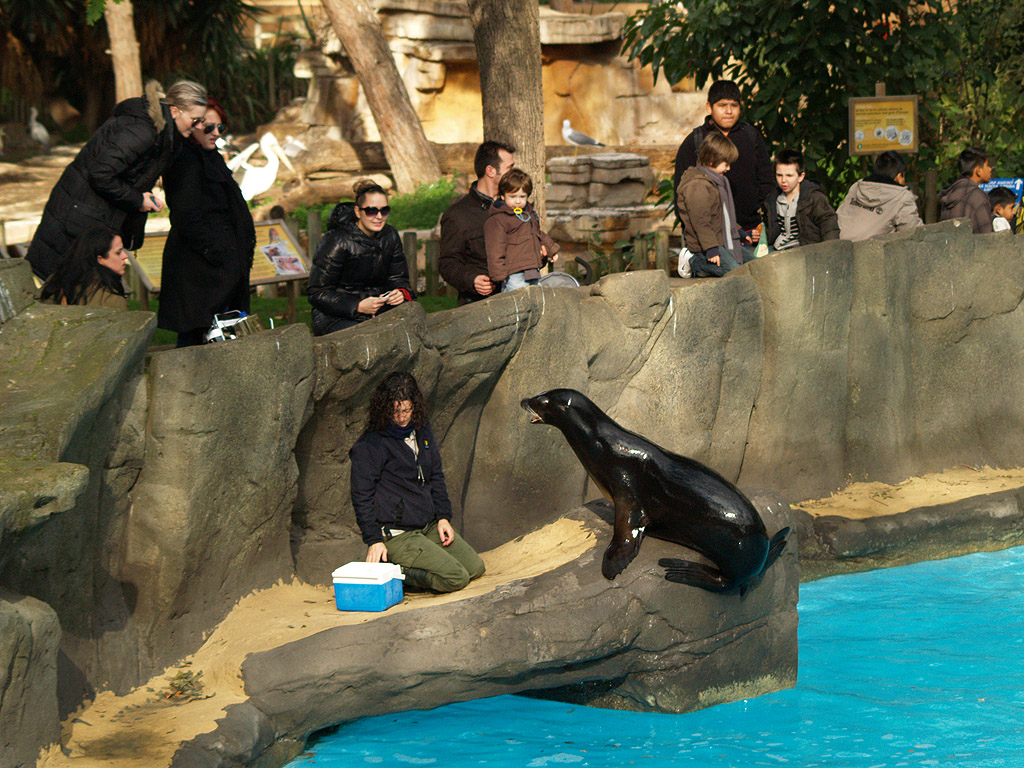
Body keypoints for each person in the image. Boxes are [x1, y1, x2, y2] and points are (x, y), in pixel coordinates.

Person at [27, 80, 208, 280]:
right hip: (77, 220)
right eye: (195, 120)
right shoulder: (143, 130)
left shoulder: (159, 133)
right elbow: (100, 173)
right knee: (60, 289)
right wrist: (138, 200)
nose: (199, 126)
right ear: (174, 111)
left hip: (89, 217)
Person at [350, 372, 485, 593]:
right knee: (456, 578)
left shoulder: (422, 429)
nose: (401, 417)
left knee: (475, 568)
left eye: (406, 410)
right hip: (397, 534)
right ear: (384, 409)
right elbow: (361, 496)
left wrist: (443, 517)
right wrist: (374, 539)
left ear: (415, 406)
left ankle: (423, 558)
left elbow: (436, 475)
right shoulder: (370, 445)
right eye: (395, 411)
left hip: (427, 525)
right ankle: (396, 572)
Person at [159, 97, 256, 347]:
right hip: (200, 276)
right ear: (193, 127)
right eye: (208, 127)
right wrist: (218, 254)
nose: (215, 133)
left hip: (220, 272)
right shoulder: (186, 160)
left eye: (220, 128)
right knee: (195, 345)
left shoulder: (210, 158)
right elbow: (186, 214)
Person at [307, 180, 415, 335]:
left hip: (379, 308)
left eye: (384, 211)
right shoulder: (337, 240)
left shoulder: (390, 235)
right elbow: (317, 292)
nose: (379, 217)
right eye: (371, 211)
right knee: (367, 336)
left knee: (412, 319)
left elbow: (398, 277)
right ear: (358, 212)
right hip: (335, 316)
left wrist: (399, 292)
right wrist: (357, 306)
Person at [672, 79, 774, 244]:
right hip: (712, 237)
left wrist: (766, 224)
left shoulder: (750, 137)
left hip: (751, 232)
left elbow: (766, 182)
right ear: (709, 107)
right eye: (722, 105)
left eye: (734, 105)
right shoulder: (695, 141)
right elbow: (681, 192)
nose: (729, 111)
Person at [439, 140, 515, 303]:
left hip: (519, 300)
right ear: (491, 171)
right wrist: (472, 280)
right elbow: (448, 263)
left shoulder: (517, 206)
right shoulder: (458, 215)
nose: (515, 174)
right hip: (479, 307)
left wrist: (542, 253)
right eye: (510, 168)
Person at [676, 133, 750, 278]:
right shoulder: (697, 186)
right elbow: (701, 222)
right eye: (726, 164)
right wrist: (711, 249)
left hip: (722, 239)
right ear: (711, 161)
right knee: (734, 272)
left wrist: (738, 232)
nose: (728, 168)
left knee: (754, 265)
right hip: (705, 246)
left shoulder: (716, 181)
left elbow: (722, 214)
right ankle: (693, 261)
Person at [484, 169, 559, 292]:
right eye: (512, 197)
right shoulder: (499, 219)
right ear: (503, 196)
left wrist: (551, 250)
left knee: (536, 300)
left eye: (522, 197)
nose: (518, 201)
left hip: (532, 270)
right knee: (517, 303)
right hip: (513, 273)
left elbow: (538, 234)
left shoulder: (528, 214)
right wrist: (499, 274)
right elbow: (495, 248)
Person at [760, 149, 839, 251]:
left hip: (806, 252)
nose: (783, 180)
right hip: (778, 249)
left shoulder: (813, 198)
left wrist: (829, 252)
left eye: (789, 175)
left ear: (801, 177)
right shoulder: (772, 199)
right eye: (779, 175)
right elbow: (772, 229)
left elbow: (829, 226)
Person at [837, 151, 923, 241]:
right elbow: (912, 232)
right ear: (899, 176)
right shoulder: (902, 196)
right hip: (871, 250)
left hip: (839, 244)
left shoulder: (857, 186)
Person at [38, 226, 130, 310]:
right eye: (118, 252)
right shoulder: (112, 301)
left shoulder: (56, 282)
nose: (125, 256)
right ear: (100, 259)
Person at [940, 147, 994, 234]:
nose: (990, 169)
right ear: (978, 171)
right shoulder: (977, 196)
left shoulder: (950, 193)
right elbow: (985, 236)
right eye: (987, 165)